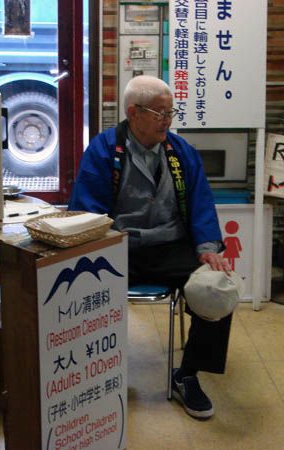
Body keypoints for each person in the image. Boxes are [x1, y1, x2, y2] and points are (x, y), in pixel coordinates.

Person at [69, 75, 232, 419]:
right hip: (116, 246)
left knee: (218, 287)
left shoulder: (180, 151)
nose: (167, 119)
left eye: (170, 111)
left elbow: (202, 202)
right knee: (74, 286)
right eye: (160, 113)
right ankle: (93, 374)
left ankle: (186, 374)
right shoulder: (103, 150)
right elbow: (85, 211)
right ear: (133, 112)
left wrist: (207, 247)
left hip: (170, 245)